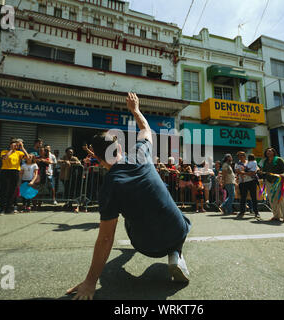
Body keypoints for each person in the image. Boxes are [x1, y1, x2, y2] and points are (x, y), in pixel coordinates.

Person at [67, 93, 191, 300]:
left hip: (149, 246)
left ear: (96, 158)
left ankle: (167, 251)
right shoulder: (140, 153)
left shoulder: (110, 185)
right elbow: (145, 129)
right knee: (178, 217)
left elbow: (106, 238)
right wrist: (135, 109)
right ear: (120, 148)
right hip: (177, 231)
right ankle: (176, 254)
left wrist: (90, 283)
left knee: (124, 220)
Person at [259, 148, 284, 223]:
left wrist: (281, 175)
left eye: (270, 151)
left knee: (282, 199)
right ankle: (276, 216)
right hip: (269, 181)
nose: (268, 152)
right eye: (267, 151)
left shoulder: (279, 159)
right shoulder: (265, 161)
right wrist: (261, 173)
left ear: (274, 152)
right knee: (272, 199)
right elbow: (265, 171)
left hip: (279, 181)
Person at [0, 139, 28, 214]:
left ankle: (9, 208)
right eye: (14, 144)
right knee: (4, 190)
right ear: (10, 145)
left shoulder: (19, 153)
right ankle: (2, 208)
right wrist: (11, 150)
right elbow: (5, 158)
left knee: (12, 190)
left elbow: (27, 157)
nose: (15, 146)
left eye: (16, 145)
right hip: (5, 171)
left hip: (15, 171)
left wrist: (22, 148)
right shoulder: (4, 151)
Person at [235, 151, 260, 219]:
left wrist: (255, 171)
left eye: (243, 155)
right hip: (243, 182)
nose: (242, 156)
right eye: (240, 155)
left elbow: (257, 168)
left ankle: (256, 212)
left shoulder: (250, 161)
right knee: (243, 198)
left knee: (254, 197)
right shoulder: (237, 164)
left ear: (245, 156)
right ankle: (242, 211)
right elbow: (237, 171)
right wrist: (248, 173)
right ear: (238, 157)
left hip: (252, 181)